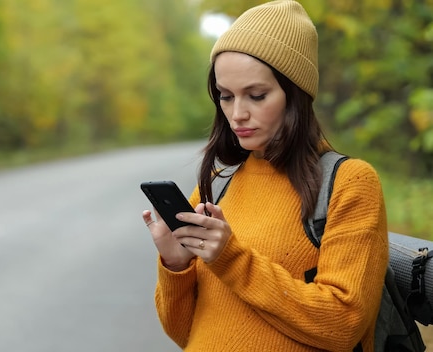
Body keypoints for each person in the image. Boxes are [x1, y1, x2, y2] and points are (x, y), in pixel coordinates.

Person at [141, 1, 389, 351]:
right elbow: (186, 333)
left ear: (296, 95)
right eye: (226, 97)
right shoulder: (218, 185)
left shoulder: (349, 183)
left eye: (256, 96)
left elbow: (343, 326)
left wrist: (231, 258)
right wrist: (177, 265)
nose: (237, 113)